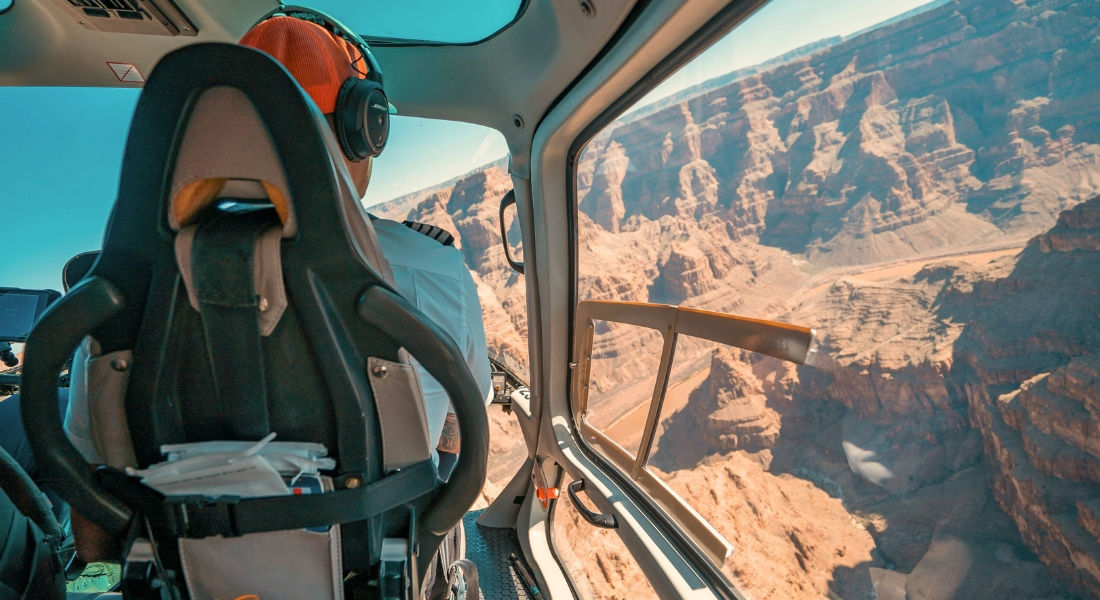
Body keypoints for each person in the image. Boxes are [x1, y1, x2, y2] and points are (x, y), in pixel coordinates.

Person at [63, 11, 493, 599]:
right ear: (361, 128)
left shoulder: (118, 295)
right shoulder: (435, 272)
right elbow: (459, 434)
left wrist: (103, 582)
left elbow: (89, 480)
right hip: (379, 579)